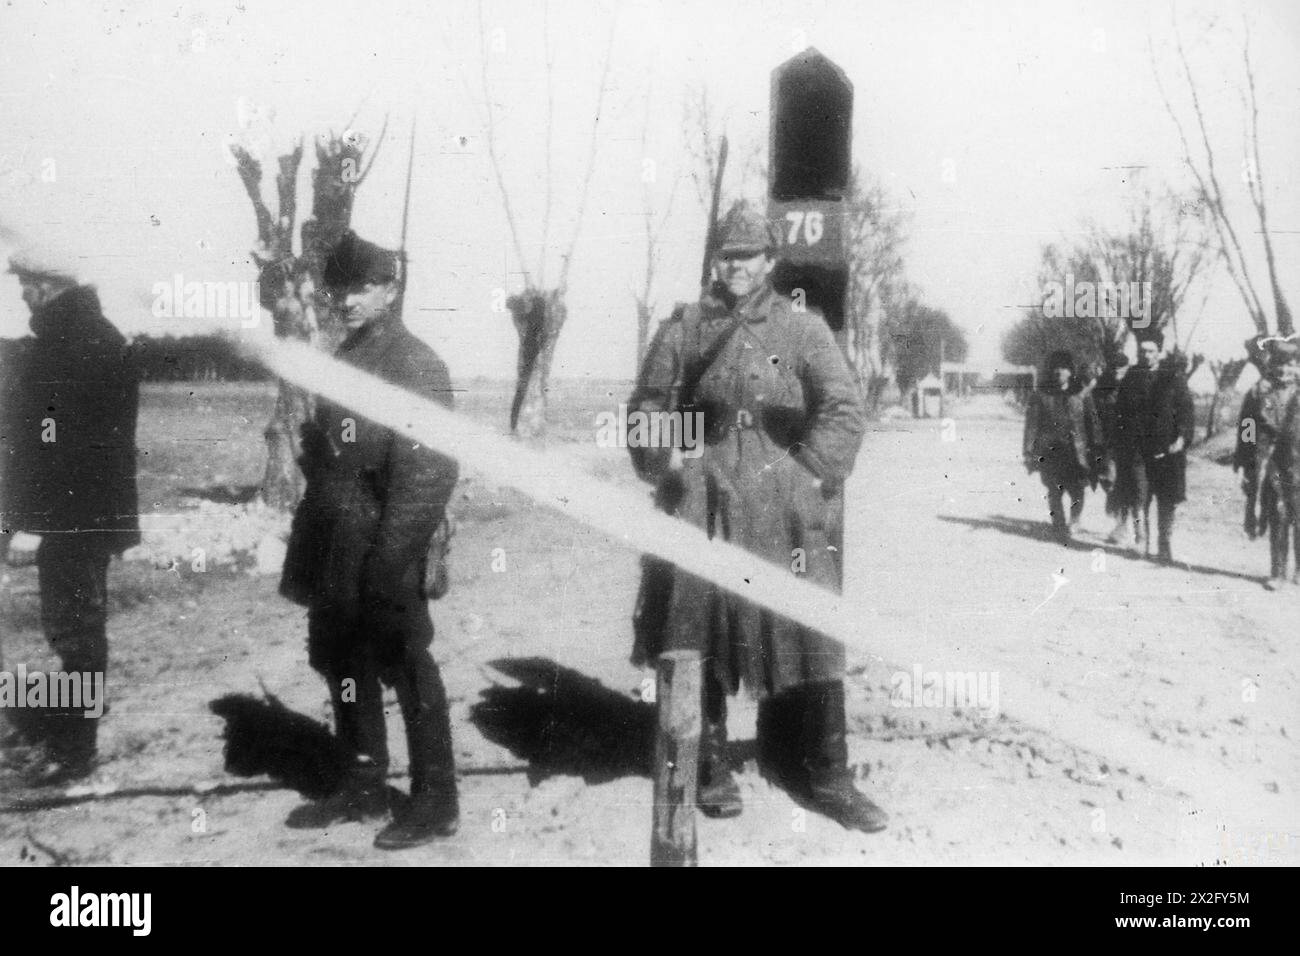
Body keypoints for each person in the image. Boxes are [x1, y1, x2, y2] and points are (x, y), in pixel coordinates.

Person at [627, 200, 886, 833]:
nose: (736, 267)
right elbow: (648, 408)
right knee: (694, 621)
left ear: (769, 261)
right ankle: (706, 761)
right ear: (715, 261)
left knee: (812, 626)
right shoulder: (686, 328)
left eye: (748, 257)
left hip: (783, 508)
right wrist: (674, 463)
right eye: (727, 256)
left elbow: (845, 410)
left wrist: (803, 477)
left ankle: (825, 770)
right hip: (704, 500)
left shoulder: (803, 328)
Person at [279, 230, 460, 849]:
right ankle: (363, 781)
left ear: (390, 288)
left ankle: (436, 801)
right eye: (339, 289)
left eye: (361, 287)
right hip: (339, 537)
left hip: (387, 540)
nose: (346, 300)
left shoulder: (414, 364)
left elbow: (428, 472)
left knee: (406, 666)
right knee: (341, 660)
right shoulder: (350, 354)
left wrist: (389, 562)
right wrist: (316, 457)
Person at [0, 250, 140, 784]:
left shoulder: (75, 347)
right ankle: (67, 735)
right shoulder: (87, 336)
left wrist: (29, 525)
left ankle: (75, 751)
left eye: (29, 283)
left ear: (51, 284)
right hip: (84, 516)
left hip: (69, 518)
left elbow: (60, 448)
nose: (21, 292)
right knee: (75, 630)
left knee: (75, 631)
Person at [1113, 330, 1195, 563]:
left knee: (1167, 499)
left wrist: (1182, 438)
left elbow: (1186, 412)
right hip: (1138, 449)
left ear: (1159, 352)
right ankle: (1141, 541)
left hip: (1168, 450)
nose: (1146, 355)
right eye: (1142, 351)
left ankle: (1164, 545)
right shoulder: (1131, 377)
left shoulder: (1173, 378)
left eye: (1151, 351)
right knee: (1139, 496)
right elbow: (1120, 413)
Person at [1235, 336, 1300, 589]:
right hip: (1270, 462)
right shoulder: (1258, 392)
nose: (1285, 369)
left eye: (1291, 363)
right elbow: (1247, 429)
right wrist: (1246, 460)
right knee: (1277, 515)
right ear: (1272, 364)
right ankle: (1278, 572)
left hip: (1298, 463)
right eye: (1280, 363)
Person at [1022, 350, 1103, 545]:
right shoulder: (1040, 395)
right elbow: (1031, 425)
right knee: (1053, 489)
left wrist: (1098, 448)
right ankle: (1058, 524)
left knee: (1077, 490)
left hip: (1075, 452)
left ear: (1070, 372)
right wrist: (1028, 450)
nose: (1059, 372)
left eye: (1064, 369)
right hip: (1050, 451)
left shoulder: (1081, 395)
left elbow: (1092, 423)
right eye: (1056, 369)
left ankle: (1074, 520)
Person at [1093, 352, 1136, 544]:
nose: (1117, 371)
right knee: (1109, 482)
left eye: (1121, 368)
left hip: (1129, 444)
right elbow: (1093, 414)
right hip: (1107, 444)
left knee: (1124, 483)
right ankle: (1120, 522)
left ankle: (1122, 525)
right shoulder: (1101, 389)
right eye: (1114, 367)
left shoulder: (1135, 387)